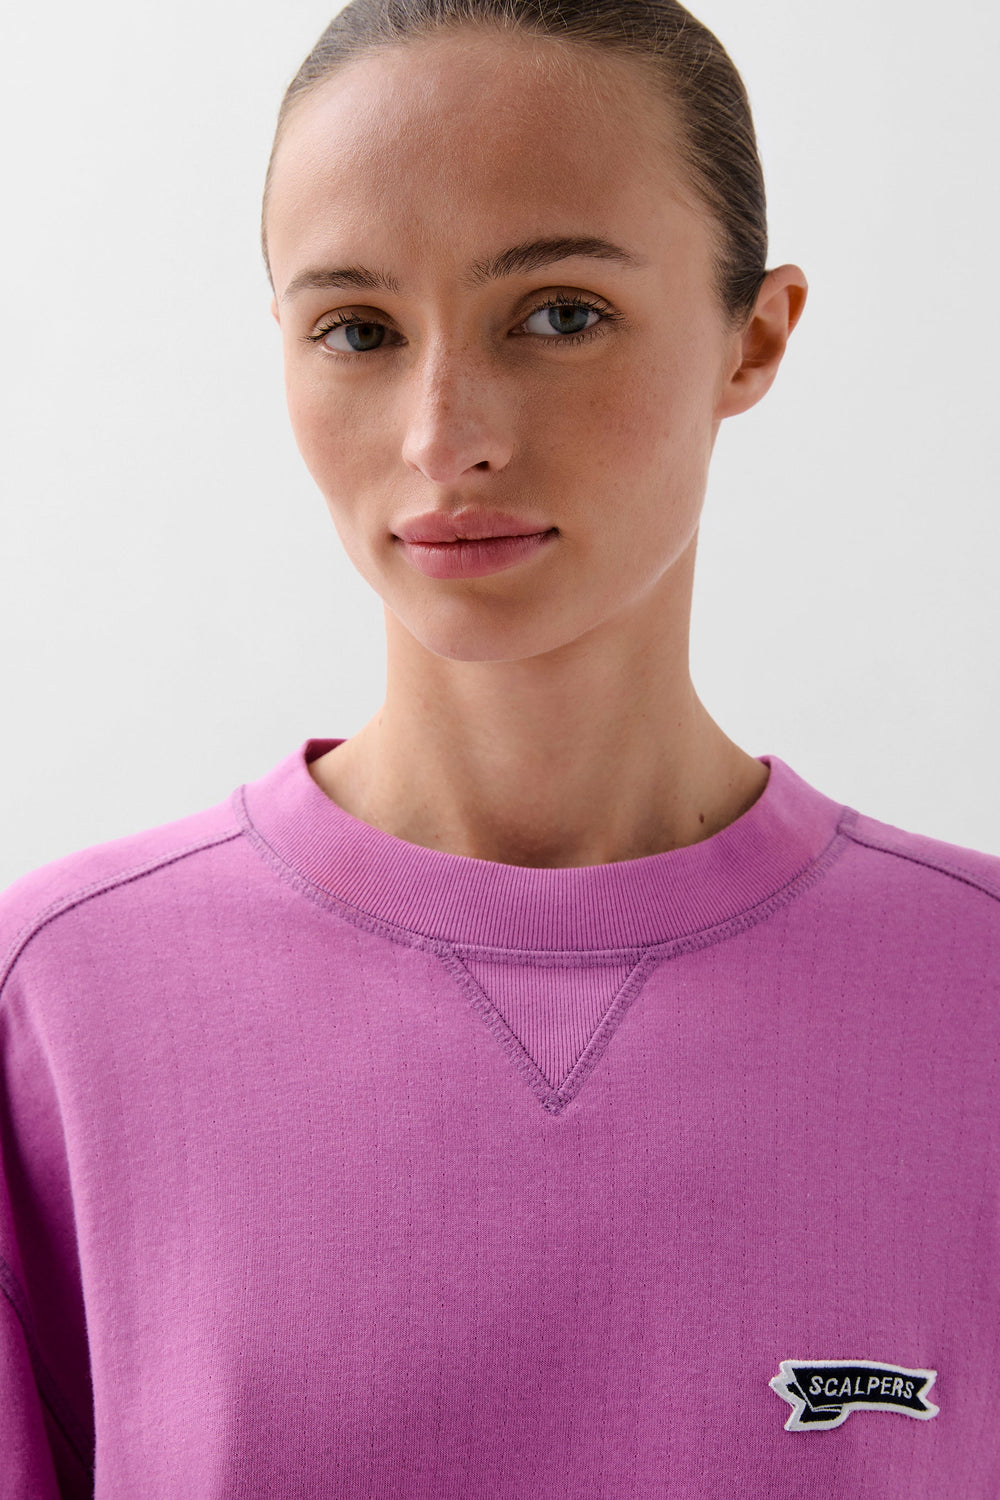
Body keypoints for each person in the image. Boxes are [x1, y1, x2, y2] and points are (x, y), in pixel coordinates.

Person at [1, 0, 997, 1494]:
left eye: (559, 314)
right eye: (358, 330)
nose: (441, 436)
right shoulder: (62, 1010)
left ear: (756, 335)